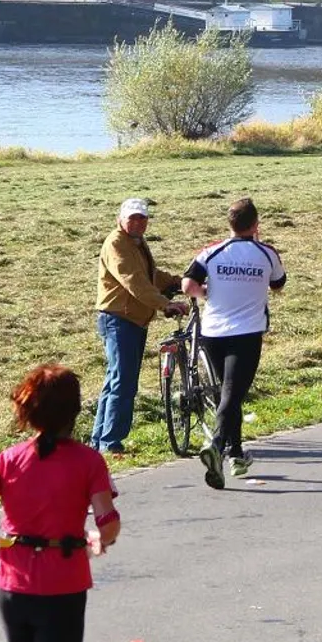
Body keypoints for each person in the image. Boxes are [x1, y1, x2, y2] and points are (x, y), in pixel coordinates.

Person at [0, 365, 118, 642]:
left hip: (10, 583)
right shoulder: (89, 461)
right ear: (75, 410)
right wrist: (100, 539)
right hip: (62, 584)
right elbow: (107, 521)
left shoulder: (8, 459)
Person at [182, 197, 286, 488]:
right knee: (232, 393)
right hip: (247, 333)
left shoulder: (211, 252)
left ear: (229, 224)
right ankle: (216, 446)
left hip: (213, 332)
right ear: (255, 224)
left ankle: (237, 454)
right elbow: (278, 284)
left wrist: (209, 293)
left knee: (230, 392)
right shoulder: (266, 253)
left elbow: (188, 285)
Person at [90, 198, 186, 454]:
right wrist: (165, 304)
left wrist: (179, 282)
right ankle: (111, 444)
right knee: (123, 382)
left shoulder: (136, 242)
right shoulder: (117, 243)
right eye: (132, 217)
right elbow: (134, 281)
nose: (138, 222)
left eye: (142, 218)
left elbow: (149, 276)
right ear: (120, 219)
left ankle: (100, 442)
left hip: (132, 319)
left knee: (116, 380)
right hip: (119, 319)